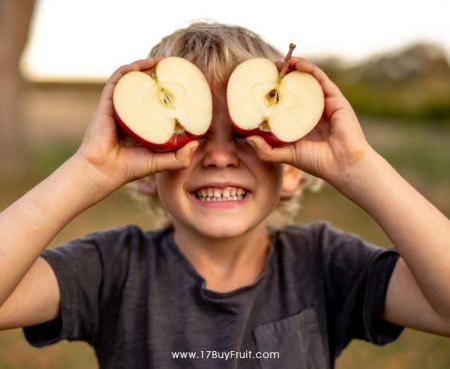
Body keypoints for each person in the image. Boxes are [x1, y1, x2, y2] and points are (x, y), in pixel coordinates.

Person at [0, 22, 449, 369]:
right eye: (187, 135)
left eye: (242, 134)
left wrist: (357, 164)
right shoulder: (112, 268)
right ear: (144, 172)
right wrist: (89, 170)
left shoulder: (327, 264)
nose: (217, 157)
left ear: (292, 168)